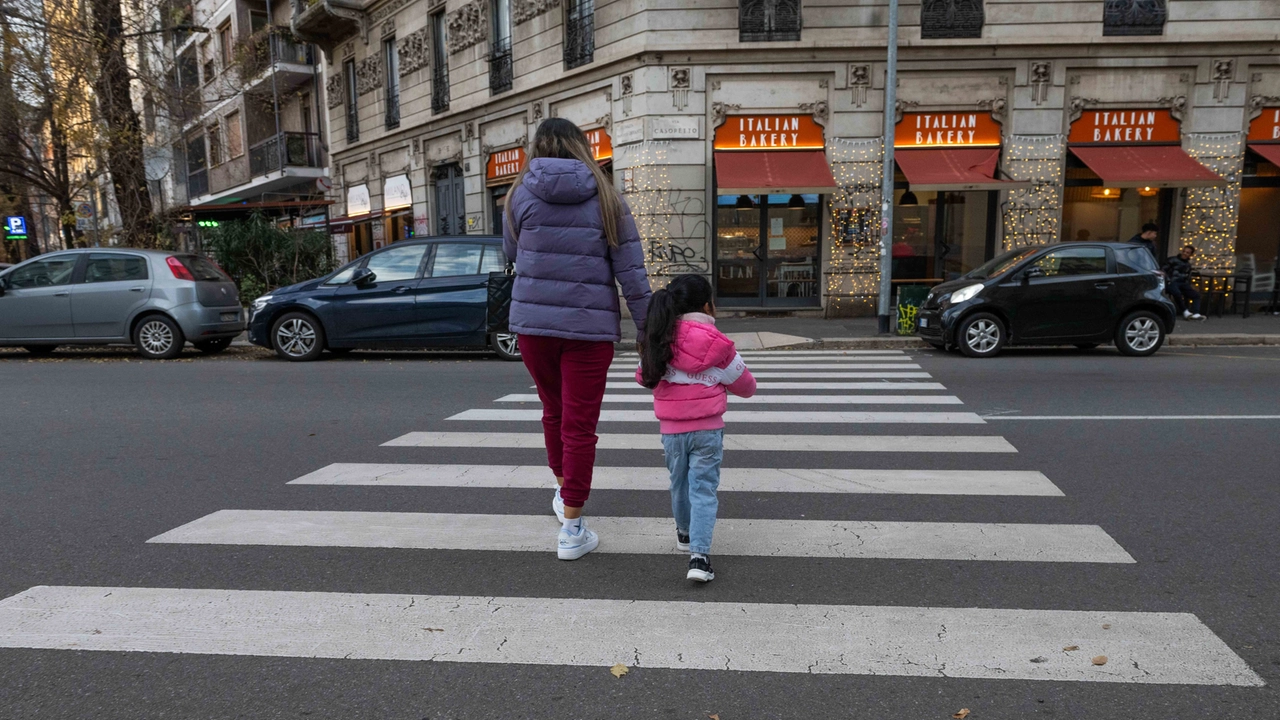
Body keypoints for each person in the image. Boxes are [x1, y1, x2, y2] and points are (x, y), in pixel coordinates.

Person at [503, 118, 652, 561]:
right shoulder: (608, 197)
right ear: (582, 146)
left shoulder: (518, 195)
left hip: (534, 326)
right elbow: (632, 272)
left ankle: (561, 487)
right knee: (581, 424)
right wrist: (646, 329)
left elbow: (513, 256)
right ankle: (572, 527)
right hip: (590, 330)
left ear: (538, 147)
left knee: (553, 411)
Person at [636, 275, 757, 583]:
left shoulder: (659, 337)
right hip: (707, 430)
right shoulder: (719, 345)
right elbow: (747, 387)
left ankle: (684, 534)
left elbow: (643, 375)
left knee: (678, 483)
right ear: (707, 305)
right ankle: (700, 558)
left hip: (671, 430)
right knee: (702, 489)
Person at [1163, 244, 1206, 321]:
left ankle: (1195, 313)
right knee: (1177, 293)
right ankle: (1185, 311)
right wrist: (1168, 280)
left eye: (1187, 252)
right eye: (1184, 251)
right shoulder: (1172, 260)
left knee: (1196, 295)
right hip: (1171, 282)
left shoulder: (1188, 265)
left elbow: (1186, 275)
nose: (1184, 253)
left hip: (1182, 283)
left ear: (1190, 254)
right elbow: (1163, 271)